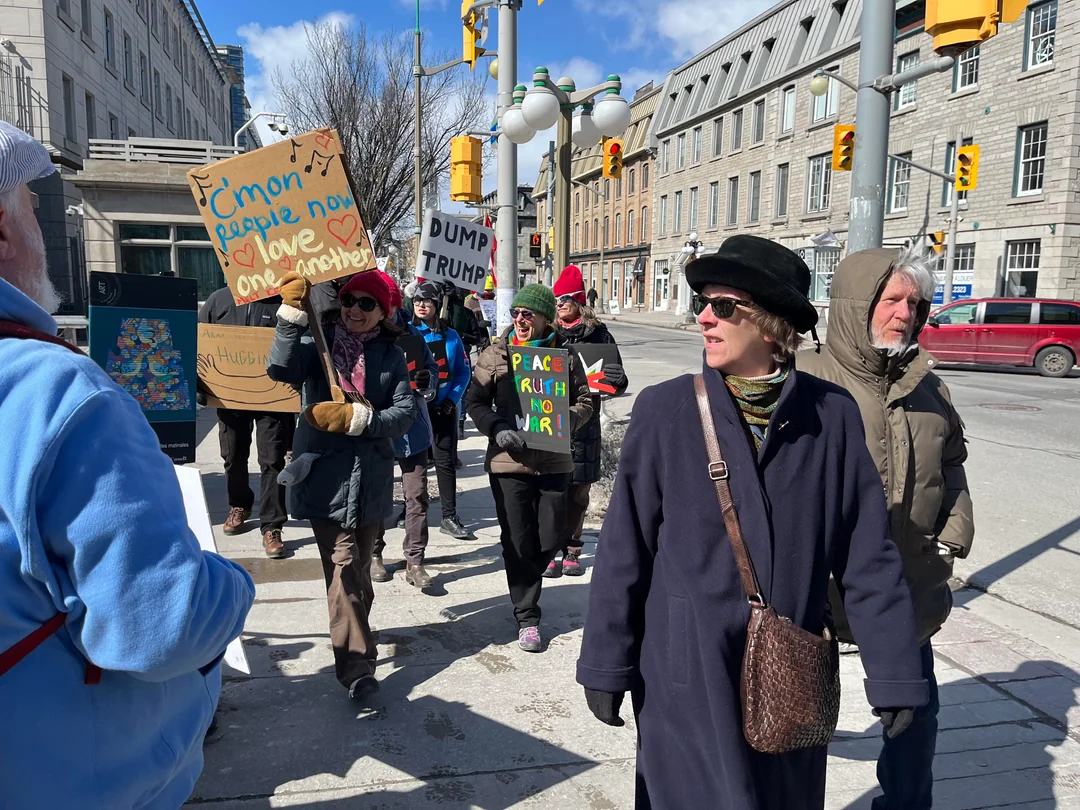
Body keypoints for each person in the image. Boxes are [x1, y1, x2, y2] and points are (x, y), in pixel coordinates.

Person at [575, 235, 928, 810]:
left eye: (723, 305)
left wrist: (894, 672)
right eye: (703, 303)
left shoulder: (830, 417)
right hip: (684, 674)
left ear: (770, 324)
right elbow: (623, 550)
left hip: (786, 675)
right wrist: (606, 660)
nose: (705, 317)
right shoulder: (666, 411)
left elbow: (868, 557)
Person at [0, 121, 254, 808]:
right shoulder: (58, 394)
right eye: (29, 205)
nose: (42, 234)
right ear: (1, 226)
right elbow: (158, 624)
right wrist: (232, 588)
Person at [797, 247, 974, 810]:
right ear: (856, 305)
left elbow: (952, 464)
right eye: (891, 299)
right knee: (799, 723)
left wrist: (955, 527)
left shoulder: (929, 387)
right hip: (817, 593)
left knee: (914, 722)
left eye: (915, 303)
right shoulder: (804, 378)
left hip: (907, 586)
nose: (905, 313)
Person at [267, 269, 417, 700]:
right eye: (350, 300)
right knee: (343, 566)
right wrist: (290, 317)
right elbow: (279, 368)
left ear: (383, 313)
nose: (355, 309)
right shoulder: (320, 343)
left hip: (369, 481)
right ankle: (356, 669)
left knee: (357, 576)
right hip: (325, 480)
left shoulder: (391, 356)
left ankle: (357, 642)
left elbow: (405, 413)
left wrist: (363, 420)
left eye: (367, 304)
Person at [465, 284, 593, 652]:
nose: (520, 320)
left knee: (552, 537)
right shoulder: (496, 354)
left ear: (544, 319)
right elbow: (474, 401)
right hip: (509, 464)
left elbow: (585, 400)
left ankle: (527, 579)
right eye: (516, 313)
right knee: (517, 542)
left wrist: (564, 420)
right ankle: (528, 616)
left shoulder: (563, 357)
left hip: (554, 461)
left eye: (528, 314)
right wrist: (498, 429)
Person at [199, 287, 295, 558]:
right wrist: (199, 384)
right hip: (228, 397)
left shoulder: (283, 302)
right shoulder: (218, 299)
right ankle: (239, 504)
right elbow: (199, 342)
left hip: (274, 399)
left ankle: (272, 525)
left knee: (272, 460)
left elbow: (300, 342)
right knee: (232, 456)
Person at [545, 265, 628, 578]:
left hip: (586, 421)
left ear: (579, 301)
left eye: (566, 298)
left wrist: (619, 380)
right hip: (551, 417)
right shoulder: (547, 333)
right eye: (556, 299)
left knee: (579, 491)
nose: (560, 304)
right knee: (552, 489)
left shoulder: (600, 334)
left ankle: (572, 549)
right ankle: (550, 549)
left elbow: (614, 379)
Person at [371, 272, 440, 588]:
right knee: (377, 495)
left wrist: (428, 384)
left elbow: (432, 373)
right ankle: (374, 554)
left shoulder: (414, 337)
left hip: (413, 430)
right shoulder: (360, 338)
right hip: (378, 430)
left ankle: (415, 561)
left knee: (417, 496)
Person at [412, 280, 474, 540]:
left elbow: (462, 371)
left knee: (444, 462)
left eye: (427, 301)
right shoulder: (407, 333)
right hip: (414, 408)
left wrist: (452, 399)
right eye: (417, 301)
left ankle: (449, 516)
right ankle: (412, 512)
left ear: (437, 305)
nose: (421, 305)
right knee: (414, 464)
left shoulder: (451, 335)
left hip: (443, 407)